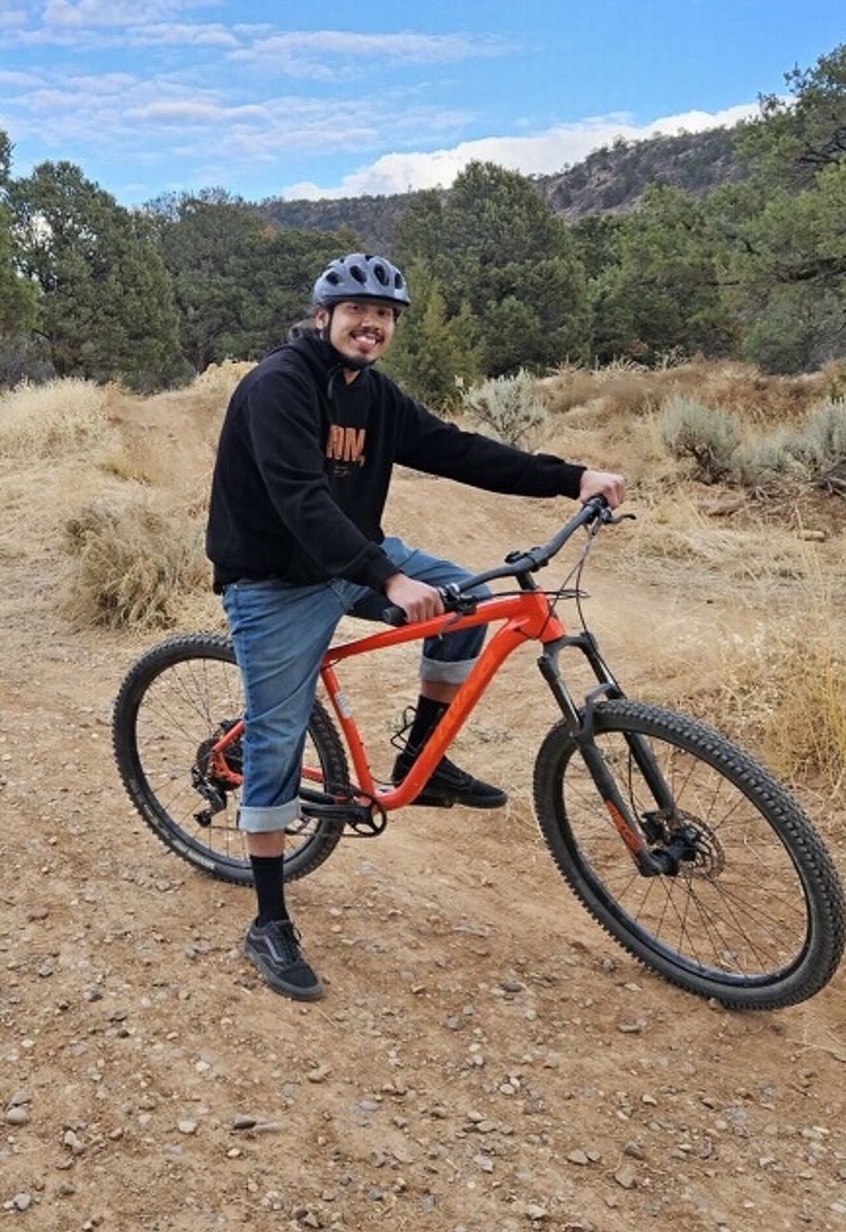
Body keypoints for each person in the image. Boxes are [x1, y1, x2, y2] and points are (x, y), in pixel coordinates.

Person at [206, 252, 627, 1002]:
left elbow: (457, 450)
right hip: (272, 579)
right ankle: (268, 921)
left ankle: (419, 765)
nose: (371, 325)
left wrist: (572, 477)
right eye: (357, 312)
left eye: (386, 315)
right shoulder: (279, 386)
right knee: (277, 738)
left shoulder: (374, 395)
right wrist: (389, 578)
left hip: (349, 557)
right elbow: (299, 499)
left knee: (463, 602)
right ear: (323, 317)